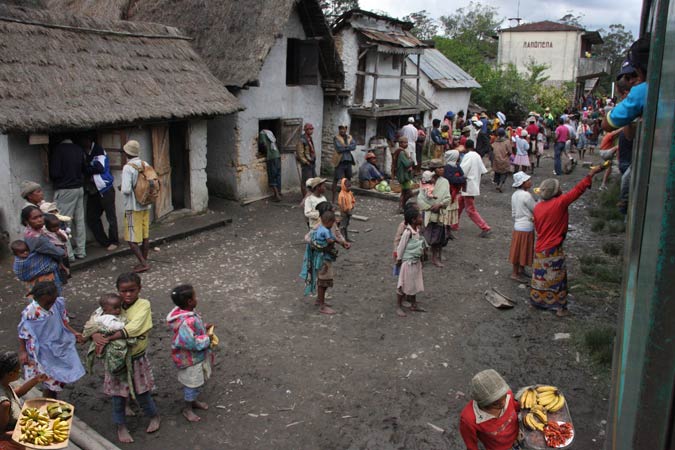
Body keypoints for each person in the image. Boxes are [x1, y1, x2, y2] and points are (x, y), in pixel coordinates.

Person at [89, 272, 161, 443]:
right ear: (118, 291)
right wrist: (94, 334)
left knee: (142, 391)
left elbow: (135, 327)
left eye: (132, 290)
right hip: (116, 360)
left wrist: (107, 336)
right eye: (123, 291)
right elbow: (93, 320)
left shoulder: (143, 305)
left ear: (139, 289)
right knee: (117, 395)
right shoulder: (113, 303)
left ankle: (154, 416)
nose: (127, 295)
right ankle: (120, 425)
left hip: (136, 357)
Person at [530, 166, 606, 317]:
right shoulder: (560, 203)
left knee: (540, 276)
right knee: (559, 278)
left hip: (540, 247)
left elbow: (538, 227)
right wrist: (590, 175)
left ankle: (539, 301)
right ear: (555, 192)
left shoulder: (538, 207)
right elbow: (577, 191)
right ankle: (560, 308)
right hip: (553, 248)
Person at [17, 281, 85, 398]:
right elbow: (22, 333)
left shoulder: (57, 304)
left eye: (52, 301)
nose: (50, 305)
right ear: (37, 299)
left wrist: (74, 333)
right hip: (40, 351)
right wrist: (23, 351)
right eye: (47, 303)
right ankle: (49, 401)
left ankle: (51, 397)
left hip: (58, 344)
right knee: (48, 378)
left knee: (58, 374)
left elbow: (63, 321)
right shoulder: (30, 313)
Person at [167, 284, 213, 423]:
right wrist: (207, 339)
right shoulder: (187, 321)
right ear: (189, 302)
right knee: (192, 384)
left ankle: (193, 402)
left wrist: (203, 328)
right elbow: (190, 342)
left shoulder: (185, 315)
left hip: (194, 359)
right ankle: (188, 408)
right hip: (191, 360)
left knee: (196, 382)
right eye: (195, 296)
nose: (196, 298)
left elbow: (191, 332)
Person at [459, 369, 520, 450]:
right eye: (495, 403)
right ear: (483, 404)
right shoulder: (468, 419)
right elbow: (471, 445)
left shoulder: (507, 394)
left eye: (504, 397)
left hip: (519, 436)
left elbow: (515, 407)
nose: (503, 403)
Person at [0, 351, 48, 450]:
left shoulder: (4, 384)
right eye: (18, 370)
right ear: (10, 374)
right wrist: (28, 431)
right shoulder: (4, 404)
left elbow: (16, 394)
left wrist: (36, 380)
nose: (20, 372)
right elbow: (1, 434)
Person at [49, 138, 86, 259]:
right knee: (79, 221)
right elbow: (84, 169)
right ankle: (81, 251)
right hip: (79, 188)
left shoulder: (58, 151)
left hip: (65, 189)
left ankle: (69, 255)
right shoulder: (79, 149)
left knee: (63, 222)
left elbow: (55, 173)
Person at [82, 136, 119, 251]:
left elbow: (99, 168)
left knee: (110, 217)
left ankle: (114, 241)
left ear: (89, 140)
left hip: (105, 188)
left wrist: (85, 167)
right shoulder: (86, 152)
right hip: (94, 190)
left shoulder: (98, 151)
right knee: (91, 217)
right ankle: (104, 241)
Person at [300, 210, 340, 315]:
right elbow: (328, 242)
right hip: (323, 260)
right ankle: (322, 306)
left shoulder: (318, 229)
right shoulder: (325, 231)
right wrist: (334, 241)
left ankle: (319, 300)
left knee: (322, 281)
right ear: (329, 221)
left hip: (319, 258)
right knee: (323, 281)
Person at [120, 140, 152, 273]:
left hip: (133, 207)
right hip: (145, 205)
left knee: (131, 239)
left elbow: (126, 190)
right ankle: (143, 260)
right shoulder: (145, 164)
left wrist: (121, 187)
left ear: (127, 153)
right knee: (145, 236)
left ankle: (143, 263)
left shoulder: (128, 168)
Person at [20, 206, 66, 291]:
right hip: (44, 274)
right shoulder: (37, 238)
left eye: (40, 216)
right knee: (51, 296)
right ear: (27, 221)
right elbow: (57, 252)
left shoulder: (29, 231)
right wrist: (63, 251)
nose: (40, 220)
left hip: (37, 271)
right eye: (35, 218)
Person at [395, 207, 427, 317]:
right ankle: (398, 306)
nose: (421, 218)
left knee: (414, 282)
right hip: (407, 263)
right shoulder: (407, 233)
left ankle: (413, 304)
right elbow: (401, 247)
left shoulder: (416, 231)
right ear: (413, 220)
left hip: (415, 261)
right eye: (419, 217)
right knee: (402, 283)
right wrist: (399, 260)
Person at [418, 160, 451, 268]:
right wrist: (429, 207)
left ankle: (435, 257)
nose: (442, 169)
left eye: (443, 167)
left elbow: (448, 197)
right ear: (433, 170)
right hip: (427, 213)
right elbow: (420, 198)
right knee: (424, 236)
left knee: (438, 237)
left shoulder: (445, 182)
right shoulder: (425, 182)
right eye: (439, 168)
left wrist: (440, 204)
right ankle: (422, 257)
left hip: (439, 213)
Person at [458, 140, 491, 237]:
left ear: (465, 147)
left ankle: (485, 227)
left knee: (470, 209)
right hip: (473, 184)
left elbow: (462, 171)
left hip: (468, 185)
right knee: (459, 204)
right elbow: (483, 170)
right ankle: (454, 224)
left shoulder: (468, 156)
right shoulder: (477, 155)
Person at [510, 172, 535, 282]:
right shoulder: (526, 195)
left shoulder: (515, 194)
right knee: (524, 249)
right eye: (527, 180)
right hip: (526, 225)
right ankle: (516, 272)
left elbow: (514, 212)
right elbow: (535, 209)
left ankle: (520, 270)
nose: (530, 182)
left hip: (518, 225)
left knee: (518, 249)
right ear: (522, 183)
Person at [332, 125, 357, 202]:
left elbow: (354, 146)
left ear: (346, 129)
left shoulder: (349, 137)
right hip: (340, 161)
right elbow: (339, 148)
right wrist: (348, 147)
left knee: (348, 179)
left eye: (343, 129)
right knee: (337, 179)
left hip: (348, 161)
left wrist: (345, 147)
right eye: (340, 129)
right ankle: (333, 199)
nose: (342, 130)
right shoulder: (336, 138)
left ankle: (346, 198)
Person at [442, 150, 464, 231]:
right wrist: (460, 179)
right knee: (448, 208)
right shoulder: (448, 167)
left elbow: (460, 176)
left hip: (454, 190)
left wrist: (458, 178)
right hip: (450, 191)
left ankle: (450, 225)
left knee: (452, 209)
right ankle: (446, 225)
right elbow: (452, 179)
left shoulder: (456, 166)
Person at [259, 129, 282, 202]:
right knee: (278, 175)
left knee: (272, 176)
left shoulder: (262, 133)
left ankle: (277, 196)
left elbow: (263, 144)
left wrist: (264, 152)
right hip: (278, 156)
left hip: (271, 157)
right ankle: (279, 192)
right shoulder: (270, 133)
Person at [393, 137, 414, 213]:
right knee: (409, 193)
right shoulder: (401, 153)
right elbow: (407, 164)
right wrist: (411, 161)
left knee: (404, 192)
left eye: (407, 142)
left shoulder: (401, 151)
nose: (406, 144)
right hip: (404, 176)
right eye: (404, 142)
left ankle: (401, 207)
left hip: (402, 175)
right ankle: (402, 206)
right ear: (400, 143)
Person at [296, 123, 317, 197]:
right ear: (306, 130)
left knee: (313, 180)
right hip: (306, 163)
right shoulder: (302, 139)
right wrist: (306, 162)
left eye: (312, 129)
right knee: (305, 181)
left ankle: (311, 196)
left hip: (311, 162)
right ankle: (305, 198)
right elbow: (300, 153)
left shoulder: (309, 138)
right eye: (310, 129)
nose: (312, 131)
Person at [491, 128, 511, 192]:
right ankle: (500, 185)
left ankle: (497, 184)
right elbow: (510, 151)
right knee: (504, 173)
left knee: (497, 173)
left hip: (496, 159)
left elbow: (492, 149)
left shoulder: (495, 142)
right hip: (504, 159)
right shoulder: (507, 142)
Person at [337, 178, 355, 242]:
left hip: (349, 211)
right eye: (348, 187)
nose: (349, 188)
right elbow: (342, 206)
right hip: (344, 213)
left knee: (346, 225)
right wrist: (347, 211)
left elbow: (353, 200)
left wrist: (352, 206)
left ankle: (346, 238)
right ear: (344, 186)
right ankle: (342, 239)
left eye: (350, 186)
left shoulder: (349, 193)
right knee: (342, 226)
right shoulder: (341, 195)